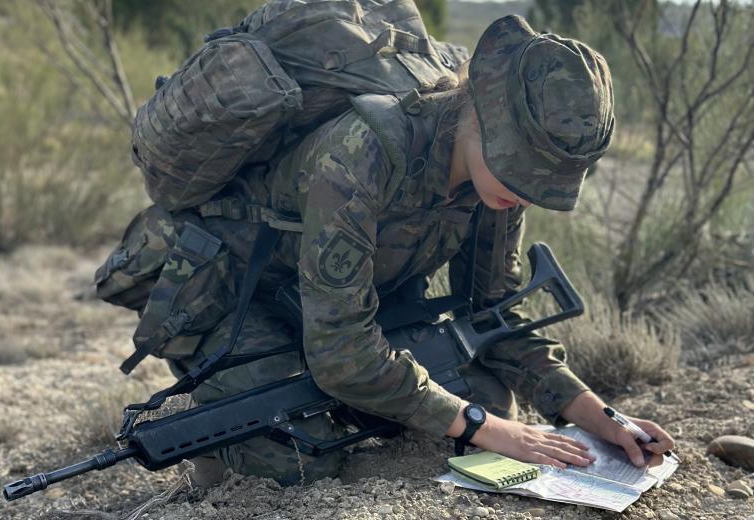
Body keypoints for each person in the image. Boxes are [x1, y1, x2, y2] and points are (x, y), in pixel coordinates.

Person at [166, 15, 675, 486]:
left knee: (496, 402)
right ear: (479, 109)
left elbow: (495, 313)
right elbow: (341, 353)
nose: (525, 192)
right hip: (240, 298)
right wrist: (480, 427)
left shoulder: (496, 185)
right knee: (304, 460)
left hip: (355, 306)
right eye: (518, 167)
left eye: (540, 182)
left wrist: (594, 413)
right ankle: (219, 421)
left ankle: (356, 408)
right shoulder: (361, 153)